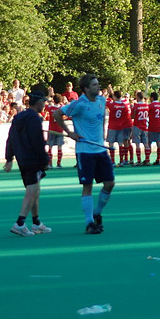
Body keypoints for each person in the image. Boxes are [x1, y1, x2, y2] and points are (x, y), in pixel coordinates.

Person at [53, 74, 115, 235]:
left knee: (110, 183)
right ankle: (89, 223)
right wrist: (70, 132)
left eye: (98, 83)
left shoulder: (102, 101)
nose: (98, 86)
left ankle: (97, 212)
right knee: (88, 186)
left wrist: (103, 137)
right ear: (86, 88)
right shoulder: (78, 103)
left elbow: (101, 121)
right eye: (94, 85)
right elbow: (57, 114)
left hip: (100, 149)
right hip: (85, 151)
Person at [5, 91, 52, 236]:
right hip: (32, 159)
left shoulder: (19, 117)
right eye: (43, 102)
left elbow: (10, 138)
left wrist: (9, 158)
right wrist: (45, 160)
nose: (44, 105)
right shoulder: (35, 119)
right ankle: (20, 223)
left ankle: (36, 223)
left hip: (22, 159)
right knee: (32, 191)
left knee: (35, 190)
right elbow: (37, 141)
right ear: (38, 103)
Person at [105, 90, 132, 166]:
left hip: (112, 126)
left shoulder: (112, 104)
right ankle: (121, 161)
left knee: (111, 143)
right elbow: (127, 117)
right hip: (121, 126)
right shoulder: (124, 105)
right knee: (121, 144)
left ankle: (112, 161)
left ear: (115, 97)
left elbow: (104, 102)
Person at [44, 94, 65, 168]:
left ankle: (50, 163)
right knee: (59, 147)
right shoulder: (62, 108)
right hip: (60, 129)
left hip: (51, 130)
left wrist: (49, 98)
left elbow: (45, 105)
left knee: (50, 147)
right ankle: (58, 164)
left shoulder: (51, 108)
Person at [131, 91, 151, 166]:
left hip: (137, 125)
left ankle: (139, 161)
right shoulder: (147, 105)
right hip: (145, 126)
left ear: (138, 97)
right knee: (146, 144)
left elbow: (132, 116)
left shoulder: (136, 106)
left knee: (137, 144)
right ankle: (147, 160)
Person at [147, 92, 160, 165]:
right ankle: (158, 159)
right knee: (159, 143)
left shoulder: (150, 105)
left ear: (152, 97)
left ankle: (147, 159)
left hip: (152, 126)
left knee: (149, 143)